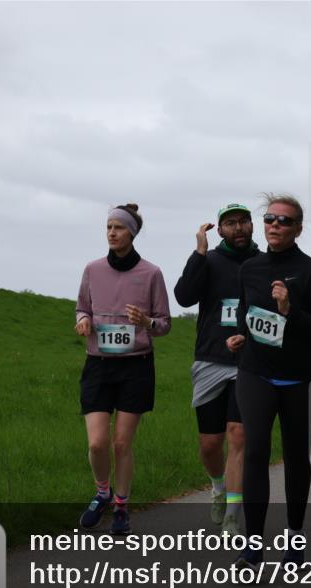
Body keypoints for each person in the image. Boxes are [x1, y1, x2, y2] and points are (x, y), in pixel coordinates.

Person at [226, 193, 311, 568]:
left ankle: (294, 538)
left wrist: (292, 311)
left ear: (298, 229)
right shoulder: (250, 268)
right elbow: (248, 313)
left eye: (284, 221)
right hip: (256, 372)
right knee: (255, 452)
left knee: (295, 459)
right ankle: (253, 547)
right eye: (270, 219)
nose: (275, 225)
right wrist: (240, 335)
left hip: (301, 379)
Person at [76, 203, 171, 535]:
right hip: (99, 365)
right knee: (97, 444)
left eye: (118, 227)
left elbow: (164, 326)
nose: (112, 233)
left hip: (136, 366)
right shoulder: (92, 269)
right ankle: (102, 492)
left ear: (132, 232)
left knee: (121, 443)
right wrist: (84, 320)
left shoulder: (151, 274)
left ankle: (120, 505)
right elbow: (81, 307)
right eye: (108, 227)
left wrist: (146, 321)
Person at [174, 203, 260, 536]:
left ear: (252, 226)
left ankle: (232, 516)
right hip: (210, 360)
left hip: (250, 363)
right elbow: (183, 297)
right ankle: (218, 488)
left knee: (238, 436)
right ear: (220, 230)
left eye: (243, 222)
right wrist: (199, 252)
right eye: (230, 223)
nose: (238, 228)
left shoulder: (263, 264)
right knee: (211, 444)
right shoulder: (208, 262)